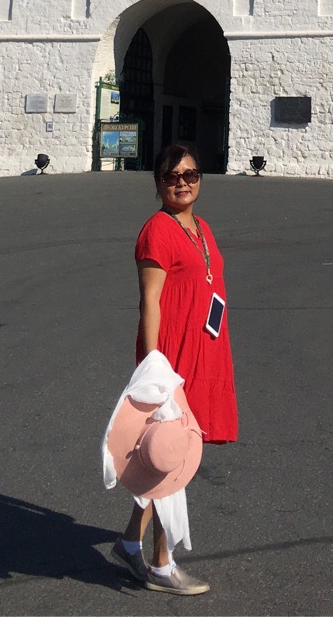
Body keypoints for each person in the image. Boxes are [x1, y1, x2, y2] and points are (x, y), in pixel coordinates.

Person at [111, 142, 238, 595]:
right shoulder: (157, 231)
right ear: (158, 183)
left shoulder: (201, 228)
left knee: (167, 455)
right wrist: (154, 368)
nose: (183, 183)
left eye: (191, 174)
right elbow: (150, 302)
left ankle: (129, 544)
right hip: (171, 356)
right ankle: (162, 565)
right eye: (172, 176)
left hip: (203, 351)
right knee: (172, 454)